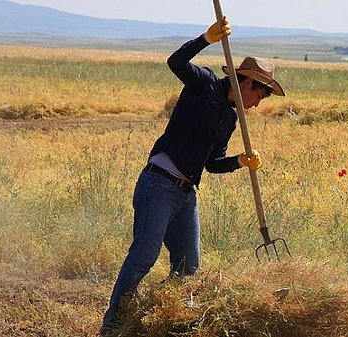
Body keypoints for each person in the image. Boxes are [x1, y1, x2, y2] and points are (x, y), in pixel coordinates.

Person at [100, 16, 285, 335]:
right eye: (259, 96)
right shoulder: (204, 84)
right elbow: (175, 61)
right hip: (158, 183)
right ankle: (113, 322)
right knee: (144, 256)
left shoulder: (230, 119)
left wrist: (240, 161)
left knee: (188, 267)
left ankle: (156, 314)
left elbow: (212, 163)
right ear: (247, 84)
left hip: (186, 195)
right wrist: (205, 39)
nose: (256, 105)